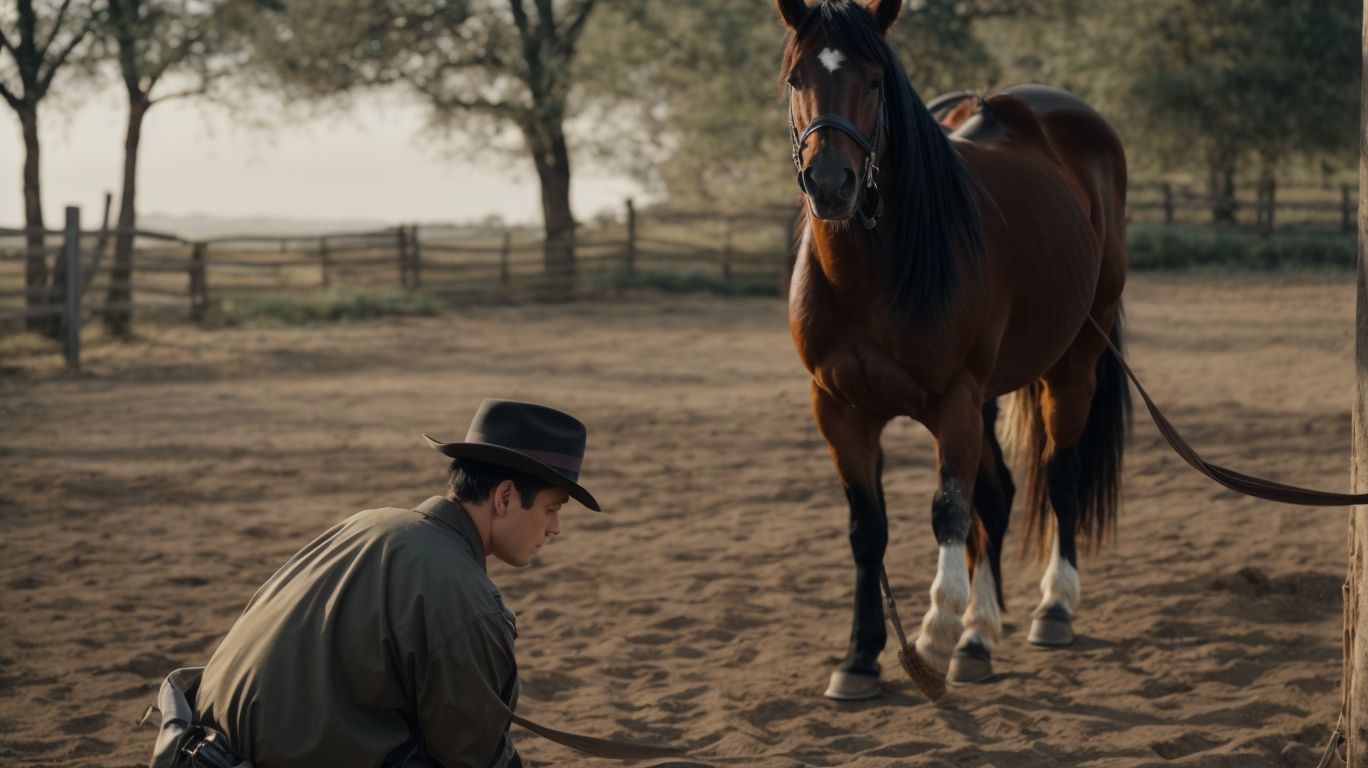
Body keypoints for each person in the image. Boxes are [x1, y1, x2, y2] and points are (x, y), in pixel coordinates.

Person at [153, 399, 600, 768]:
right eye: (551, 509)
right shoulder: (464, 596)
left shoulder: (367, 524)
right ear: (504, 497)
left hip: (195, 748)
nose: (555, 528)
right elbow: (472, 755)